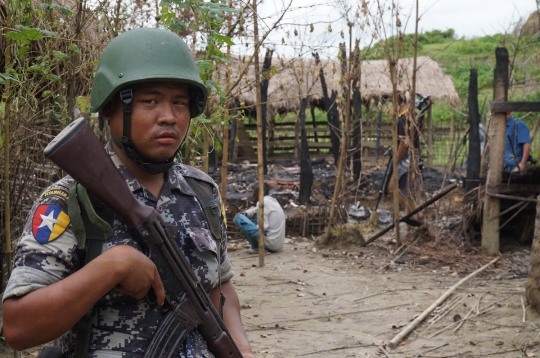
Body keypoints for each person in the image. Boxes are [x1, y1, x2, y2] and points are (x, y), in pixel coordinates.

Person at [3, 28, 254, 358]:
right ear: (109, 109)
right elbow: (18, 327)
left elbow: (219, 287)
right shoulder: (70, 202)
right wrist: (110, 268)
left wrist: (242, 349)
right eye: (150, 101)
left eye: (180, 103)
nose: (169, 116)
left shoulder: (201, 192)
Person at [387, 96, 430, 217]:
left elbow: (404, 142)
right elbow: (422, 129)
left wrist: (396, 160)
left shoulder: (403, 118)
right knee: (406, 192)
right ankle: (416, 214)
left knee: (392, 189)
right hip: (414, 156)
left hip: (406, 159)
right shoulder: (413, 116)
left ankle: (417, 215)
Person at [234, 182, 285, 254]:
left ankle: (257, 247)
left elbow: (264, 227)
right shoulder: (271, 201)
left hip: (270, 244)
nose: (252, 194)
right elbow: (256, 210)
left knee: (238, 218)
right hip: (277, 244)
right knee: (256, 214)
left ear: (258, 192)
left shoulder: (262, 202)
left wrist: (251, 228)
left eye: (253, 192)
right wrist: (246, 213)